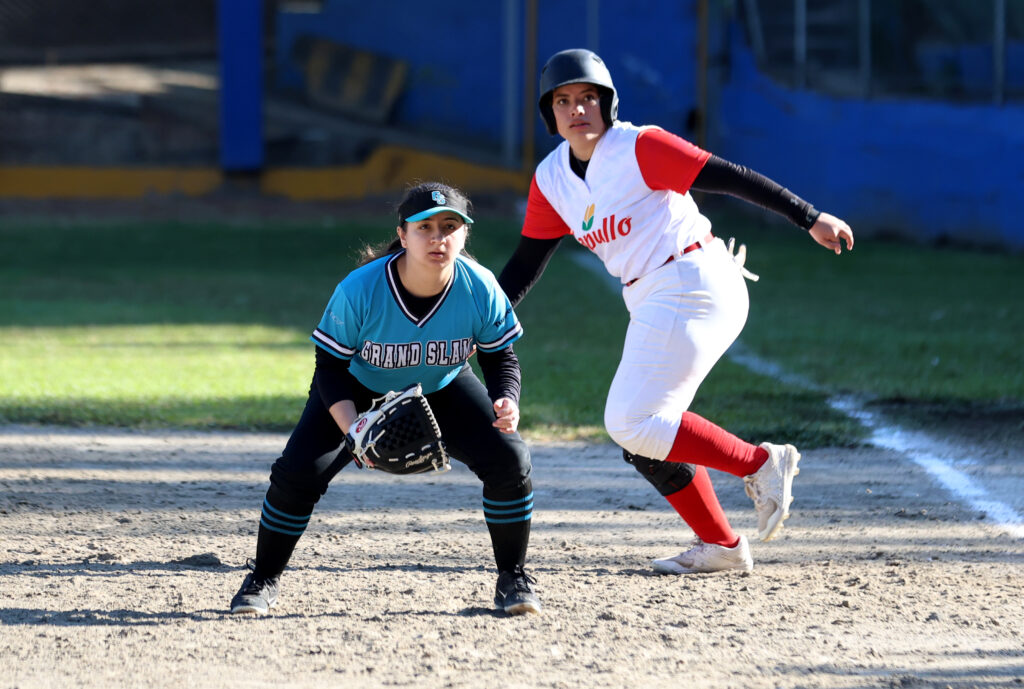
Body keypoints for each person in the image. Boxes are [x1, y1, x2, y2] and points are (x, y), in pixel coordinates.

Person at [497, 49, 854, 575]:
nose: (578, 109)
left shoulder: (639, 146)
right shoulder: (552, 179)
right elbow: (527, 262)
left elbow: (729, 176)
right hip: (654, 294)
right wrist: (476, 321)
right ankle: (722, 546)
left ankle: (762, 464)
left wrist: (809, 217)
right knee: (646, 435)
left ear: (608, 104)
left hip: (692, 279)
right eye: (564, 101)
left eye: (589, 98)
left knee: (630, 418)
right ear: (549, 114)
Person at [230, 182, 541, 615]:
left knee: (510, 460)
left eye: (450, 226)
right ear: (403, 235)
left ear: (464, 235)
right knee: (298, 474)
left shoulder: (480, 287)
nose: (437, 238)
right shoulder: (362, 289)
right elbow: (330, 368)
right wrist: (353, 427)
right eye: (424, 227)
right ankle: (262, 578)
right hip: (357, 388)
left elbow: (501, 357)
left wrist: (507, 399)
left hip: (443, 386)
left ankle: (514, 578)